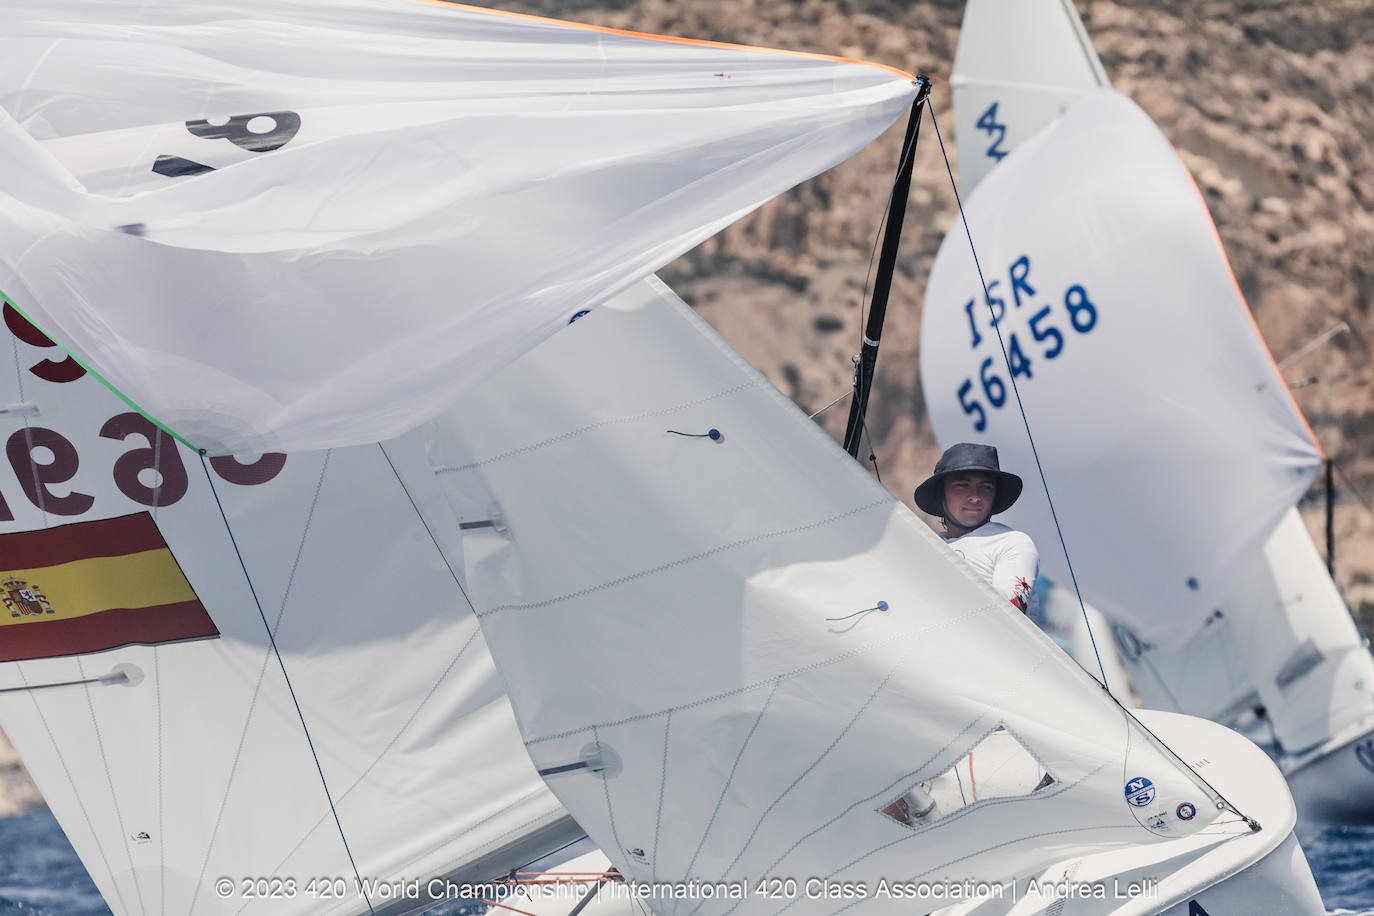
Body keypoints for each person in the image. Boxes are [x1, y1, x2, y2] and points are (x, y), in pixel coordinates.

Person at [913, 442, 1038, 617]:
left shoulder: (1013, 542)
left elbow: (1013, 608)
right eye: (962, 485)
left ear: (994, 496)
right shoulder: (926, 548)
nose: (975, 497)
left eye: (986, 488)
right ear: (941, 493)